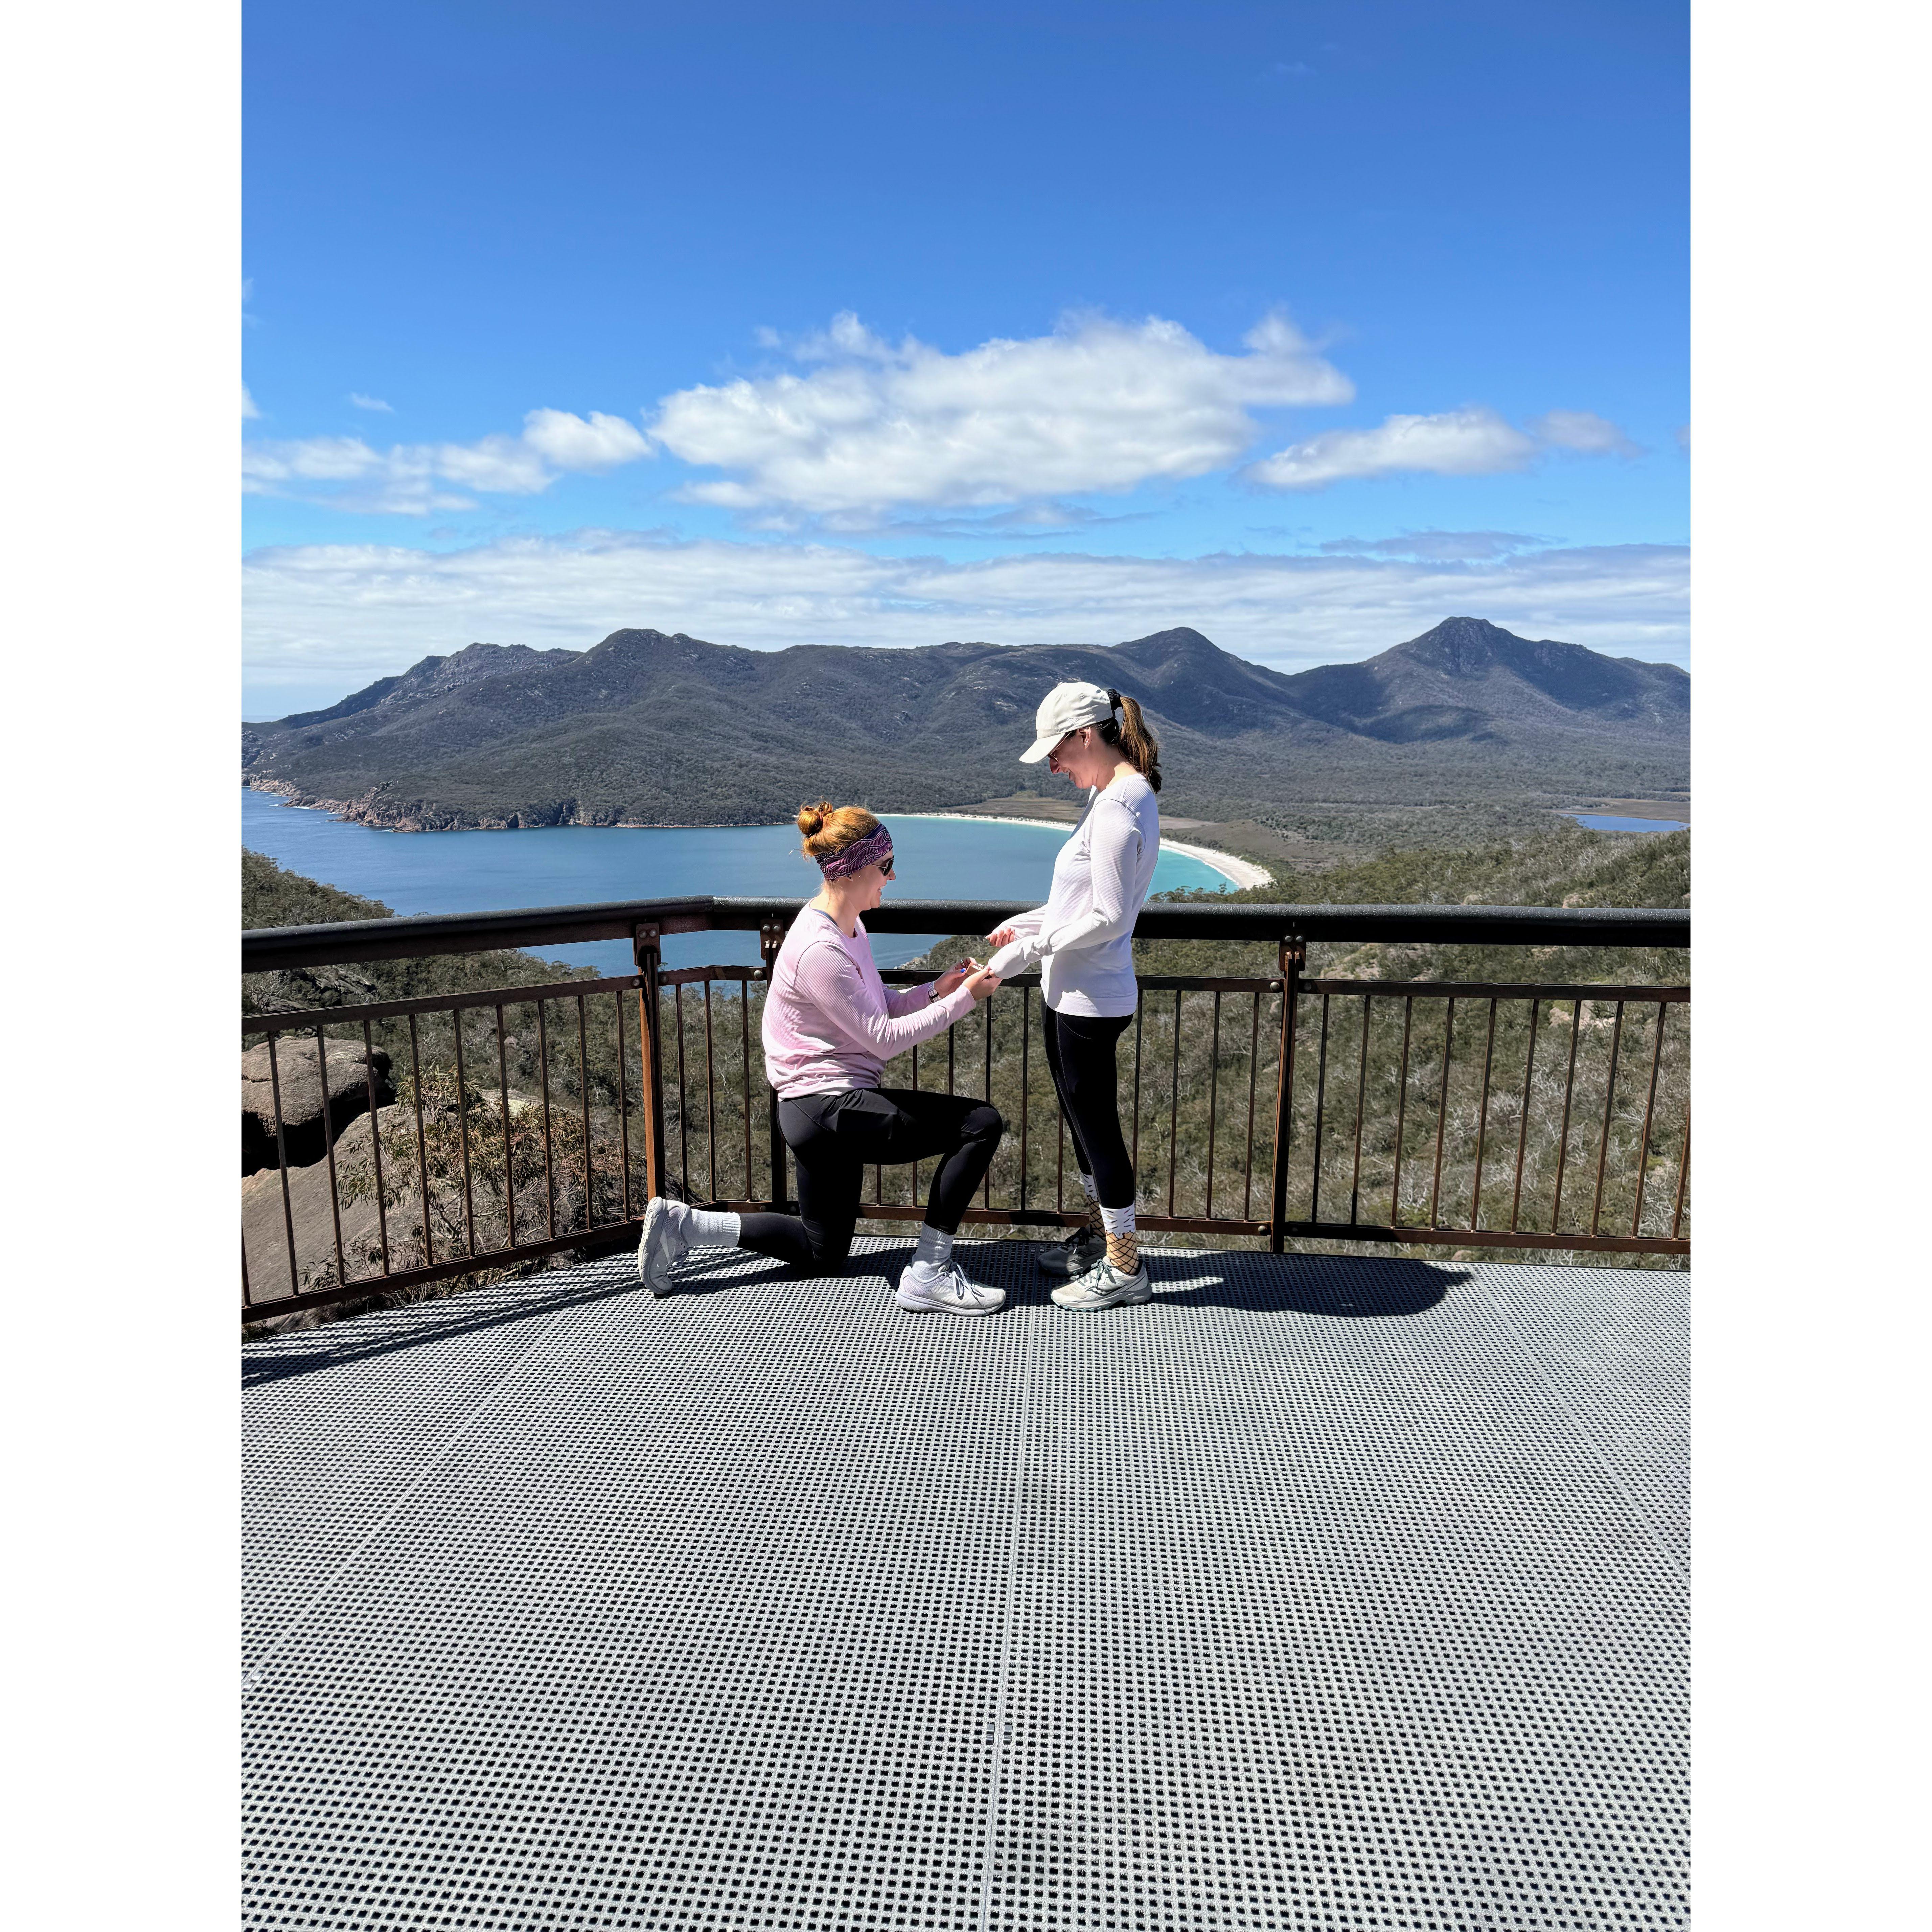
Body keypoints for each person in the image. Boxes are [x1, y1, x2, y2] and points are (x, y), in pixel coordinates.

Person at [638, 802, 1009, 1314]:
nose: (892, 876)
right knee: (980, 1124)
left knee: (823, 1250)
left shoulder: (848, 929)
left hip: (814, 1106)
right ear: (854, 870)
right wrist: (966, 998)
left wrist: (937, 989)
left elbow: (876, 1009)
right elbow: (881, 1039)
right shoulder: (821, 949)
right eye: (886, 866)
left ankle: (683, 1225)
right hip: (828, 1106)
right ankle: (930, 1272)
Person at [984, 682, 1163, 1311]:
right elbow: (1076, 906)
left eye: (1056, 752)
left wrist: (1031, 949)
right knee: (1085, 1130)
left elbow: (1111, 918)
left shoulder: (1117, 809)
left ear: (1086, 734)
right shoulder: (1116, 796)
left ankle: (1125, 1266)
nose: (1053, 766)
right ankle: (1099, 1241)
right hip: (1075, 992)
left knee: (1098, 1132)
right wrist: (1029, 925)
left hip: (1091, 997)